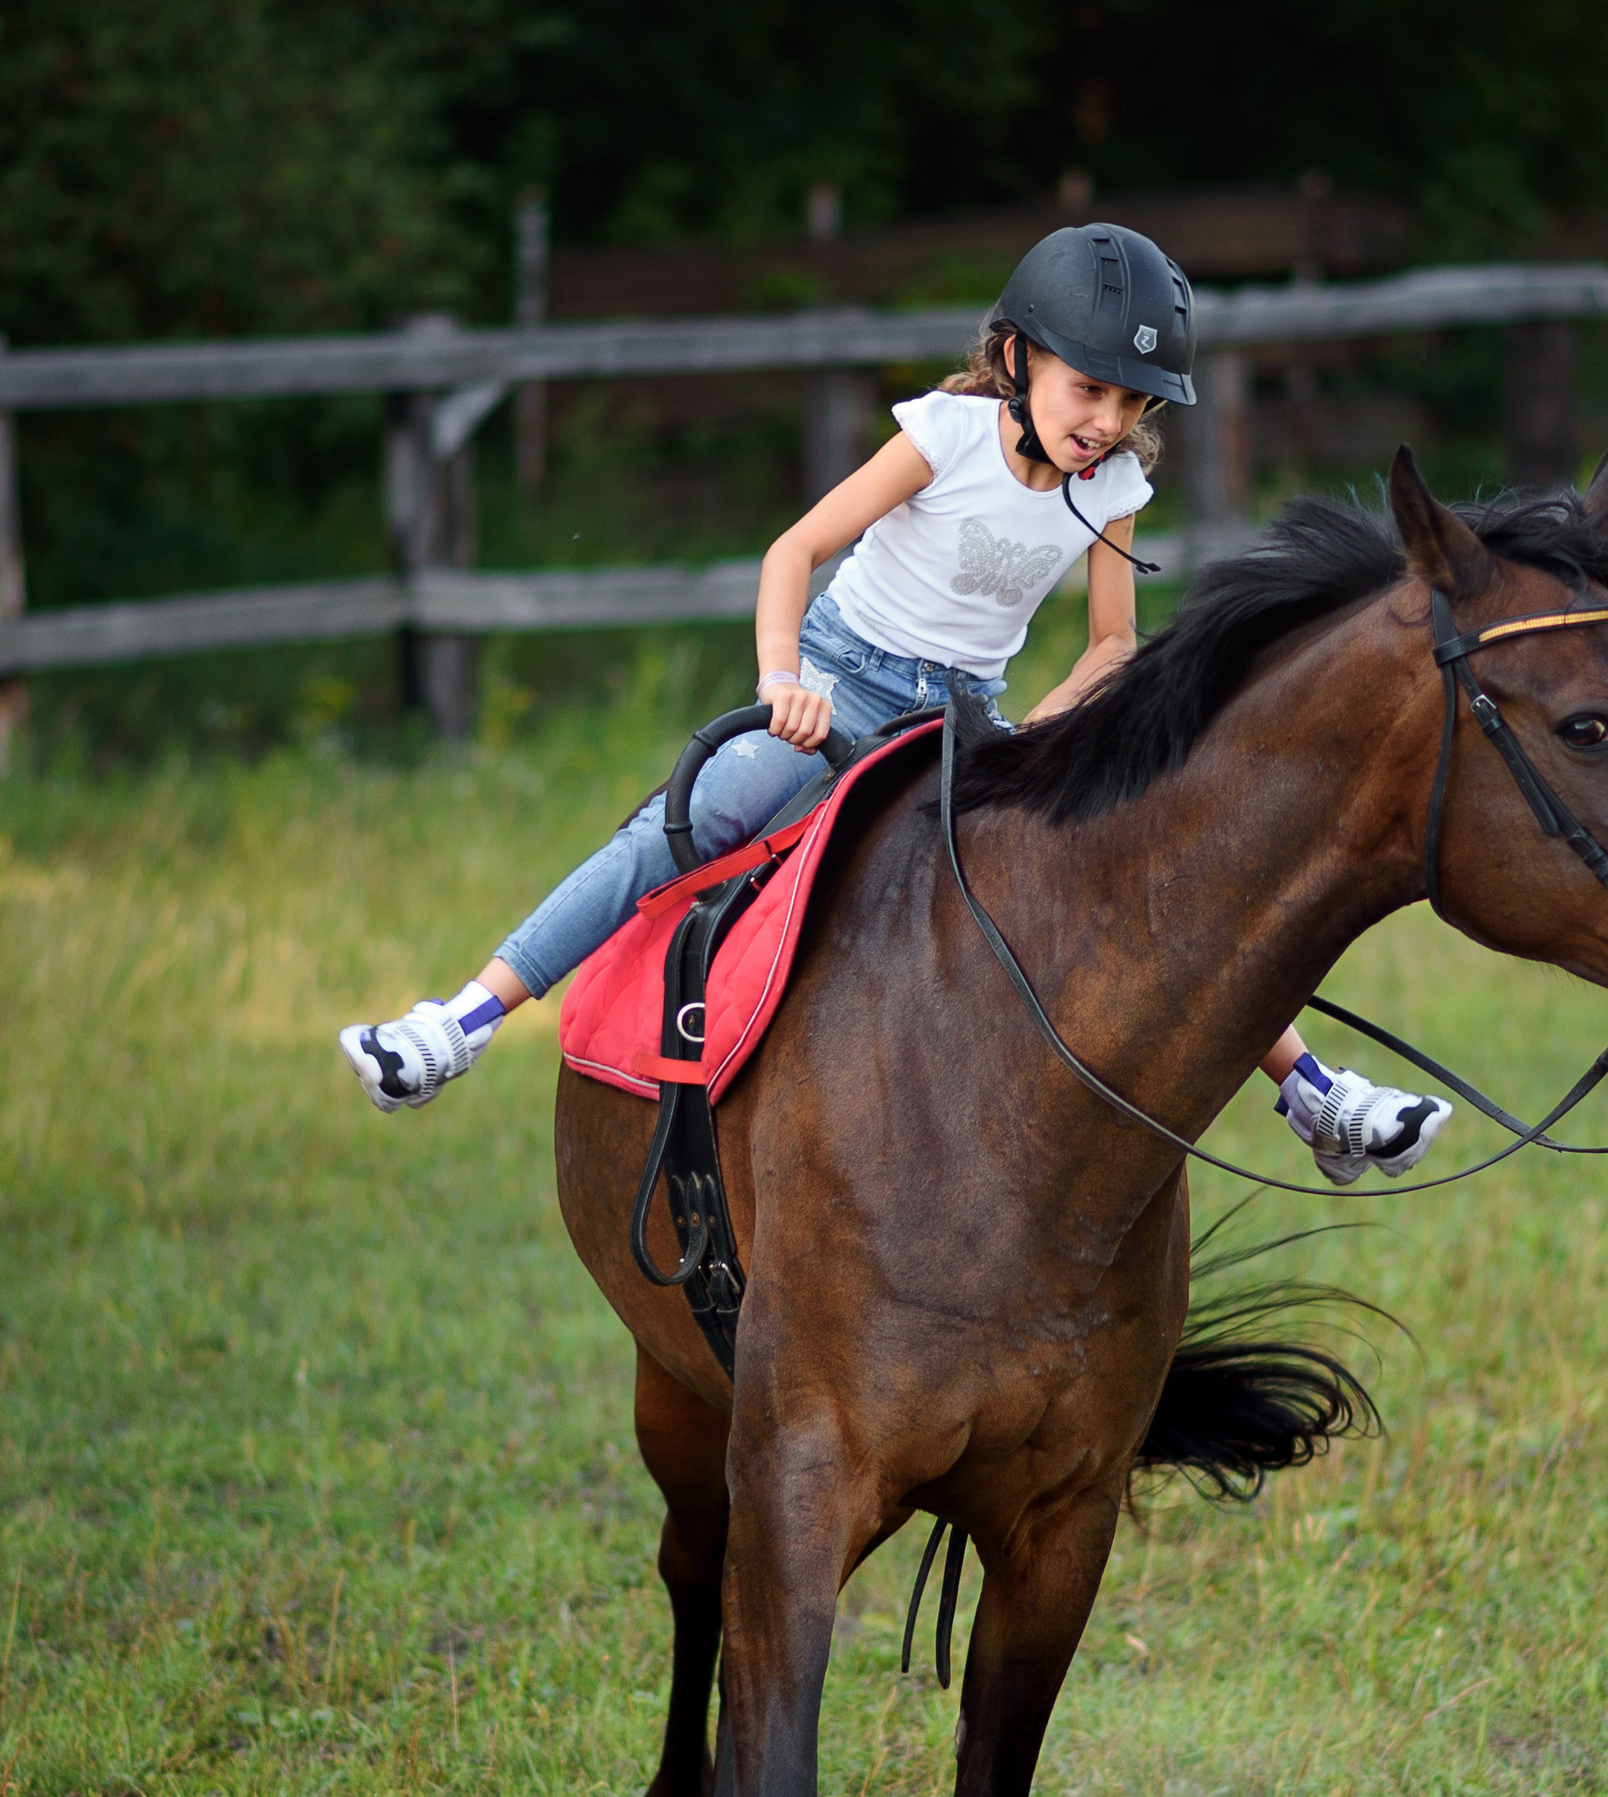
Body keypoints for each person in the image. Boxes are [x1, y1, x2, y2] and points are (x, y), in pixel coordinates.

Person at [338, 223, 1449, 1186]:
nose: (1105, 421)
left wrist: (1042, 732)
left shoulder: (1112, 489)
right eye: (1086, 389)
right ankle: (461, 1021)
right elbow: (795, 549)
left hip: (965, 717)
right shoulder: (945, 437)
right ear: (1017, 359)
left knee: (1131, 862)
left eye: (1127, 401)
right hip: (842, 678)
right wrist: (783, 682)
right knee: (699, 818)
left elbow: (1112, 638)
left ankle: (1312, 1094)